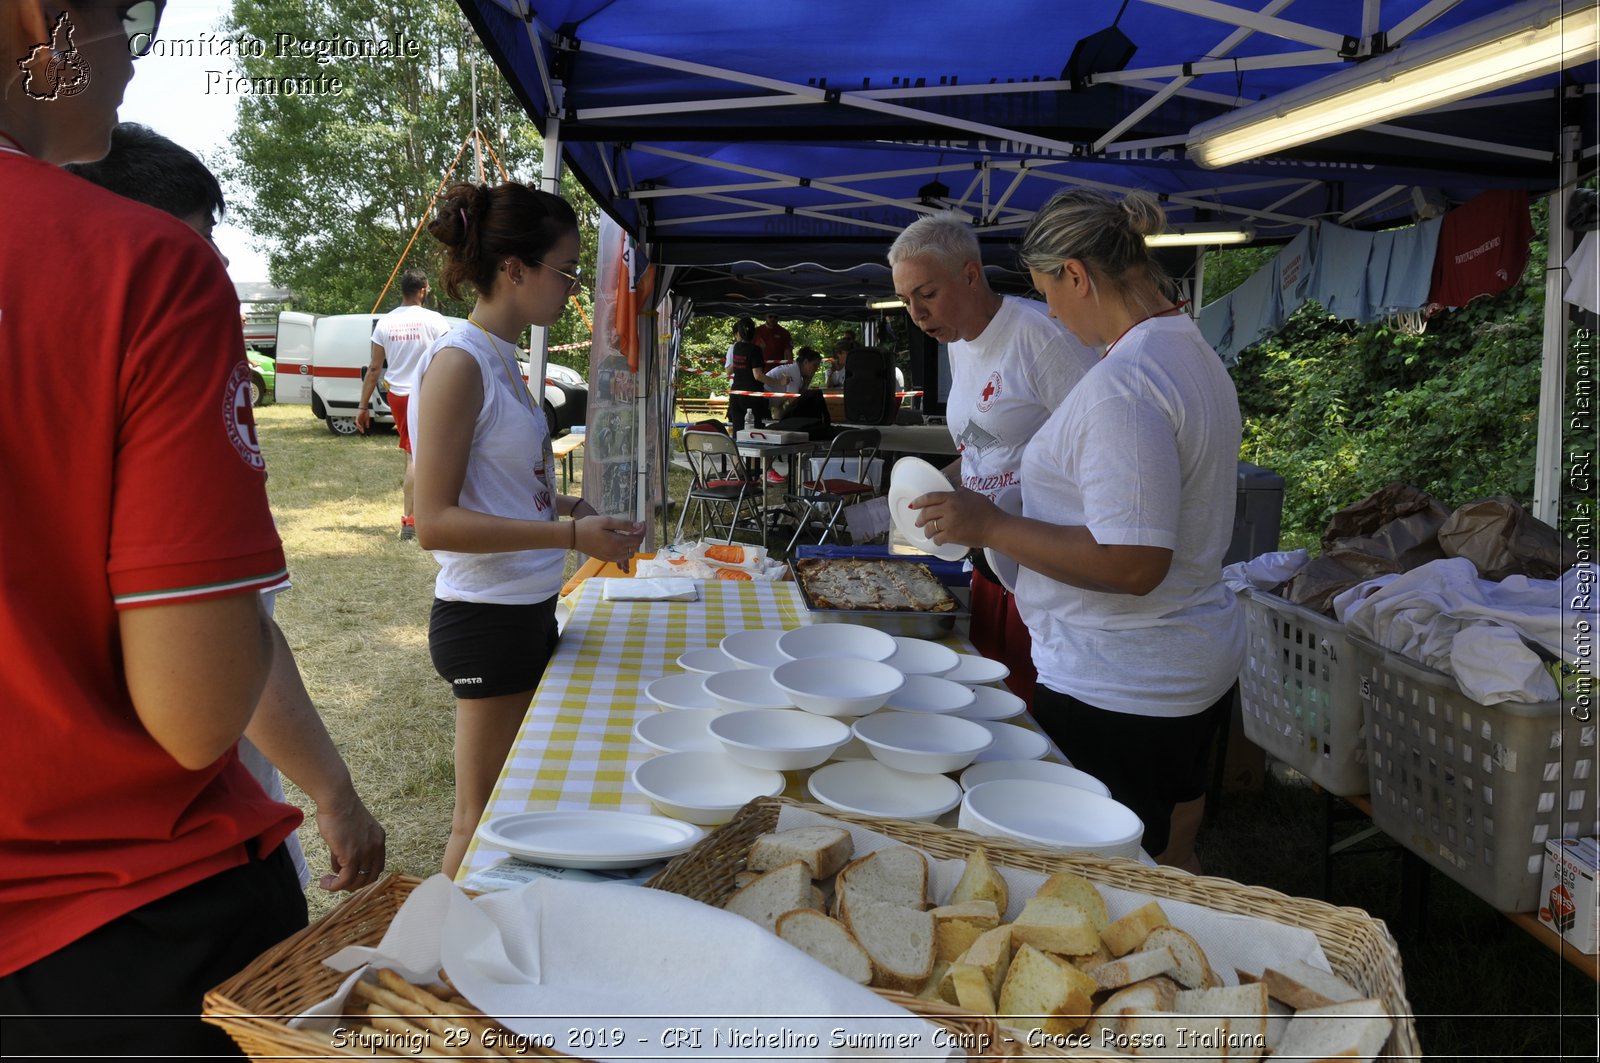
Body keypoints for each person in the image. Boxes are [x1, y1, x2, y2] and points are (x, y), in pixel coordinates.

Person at [0, 2, 309, 1054]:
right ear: (45, 20)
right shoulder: (139, 266)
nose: (136, 50)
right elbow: (195, 711)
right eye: (135, 13)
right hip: (118, 927)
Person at [66, 122, 386, 897]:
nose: (221, 261)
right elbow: (217, 635)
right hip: (187, 850)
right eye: (206, 234)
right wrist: (336, 794)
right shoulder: (169, 340)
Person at [908, 189, 1245, 871]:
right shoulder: (1189, 351)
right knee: (1169, 851)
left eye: (1047, 292)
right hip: (1173, 661)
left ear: (1076, 275)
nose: (1052, 313)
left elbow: (1132, 562)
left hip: (1122, 680)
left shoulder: (1127, 383)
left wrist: (993, 523)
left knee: (1096, 875)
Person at [412, 181, 647, 877]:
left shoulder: (501, 359)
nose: (572, 287)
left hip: (522, 608)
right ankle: (437, 968)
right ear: (514, 269)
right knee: (479, 817)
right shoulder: (459, 362)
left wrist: (574, 513)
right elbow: (432, 522)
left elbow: (513, 493)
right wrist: (571, 539)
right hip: (486, 616)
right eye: (565, 270)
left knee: (516, 803)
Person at [888, 213, 1096, 707]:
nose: (916, 313)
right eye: (905, 300)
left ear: (969, 274)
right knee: (987, 699)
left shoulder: (1041, 338)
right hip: (989, 559)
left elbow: (1101, 448)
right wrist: (932, 485)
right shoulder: (959, 342)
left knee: (1029, 710)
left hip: (1047, 563)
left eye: (927, 294)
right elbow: (985, 448)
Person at [359, 269, 451, 540]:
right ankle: (416, 519)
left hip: (398, 396)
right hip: (429, 392)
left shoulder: (385, 323)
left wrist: (363, 407)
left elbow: (375, 368)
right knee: (427, 454)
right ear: (423, 290)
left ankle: (418, 517)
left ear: (403, 290)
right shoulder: (435, 321)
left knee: (413, 454)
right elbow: (449, 357)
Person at [725, 315, 767, 430]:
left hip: (736, 393)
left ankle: (737, 447)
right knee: (754, 431)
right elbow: (757, 375)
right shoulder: (754, 350)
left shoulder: (736, 347)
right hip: (751, 394)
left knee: (738, 429)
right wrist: (779, 382)